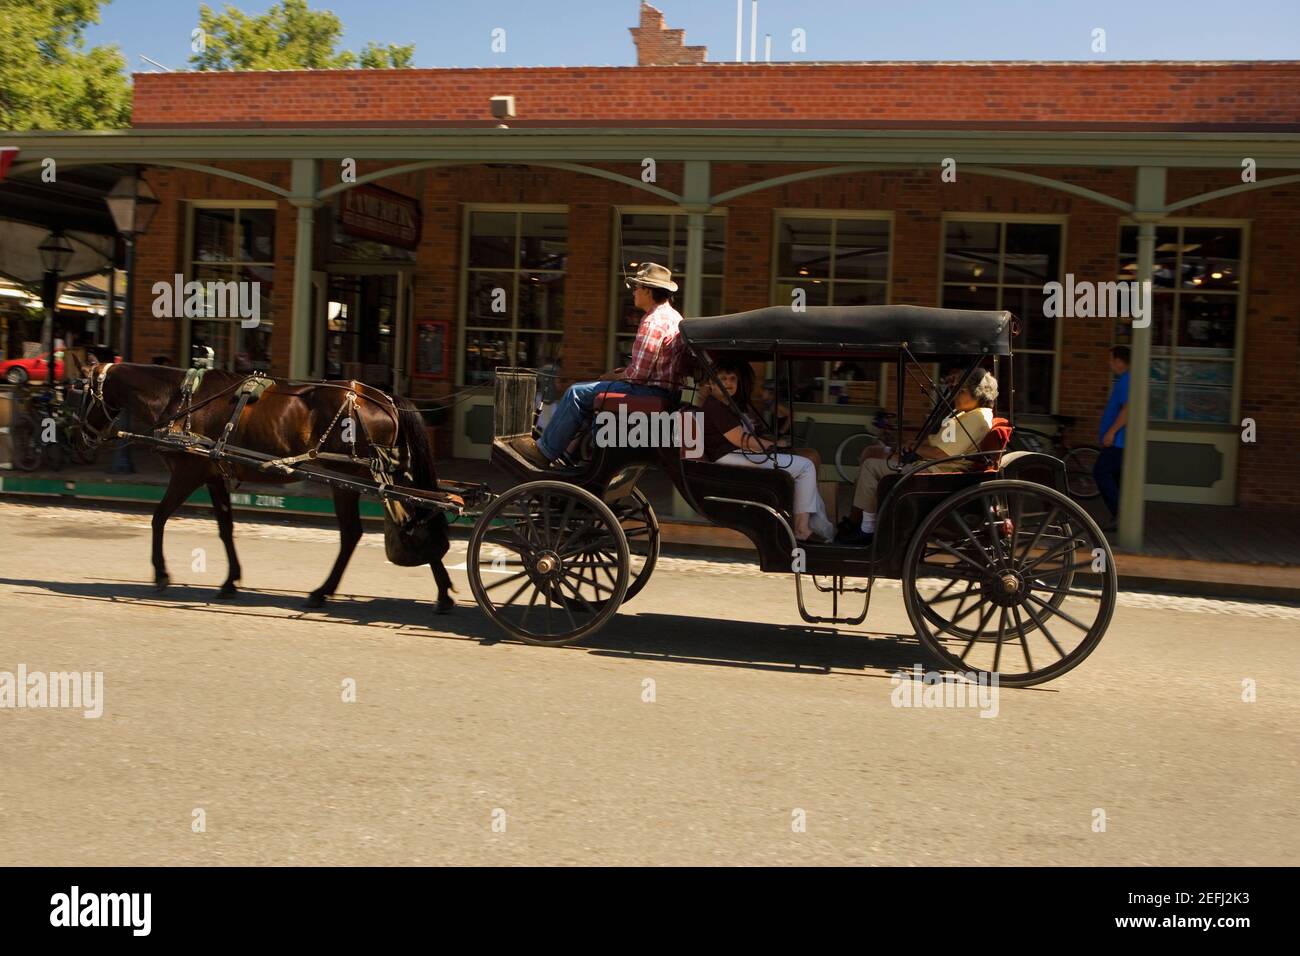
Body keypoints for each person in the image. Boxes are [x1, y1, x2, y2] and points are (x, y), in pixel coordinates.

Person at [517, 262, 685, 467]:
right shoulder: (674, 317)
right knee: (592, 394)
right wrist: (623, 373)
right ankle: (574, 456)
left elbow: (639, 375)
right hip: (665, 393)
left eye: (637, 287)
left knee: (576, 393)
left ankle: (544, 452)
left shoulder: (653, 321)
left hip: (650, 393)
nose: (634, 292)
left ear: (648, 291)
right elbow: (650, 368)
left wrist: (613, 376)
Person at [837, 369, 999, 546]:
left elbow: (943, 453)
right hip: (928, 465)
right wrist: (914, 446)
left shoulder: (976, 418)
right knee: (872, 453)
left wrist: (916, 448)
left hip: (935, 473)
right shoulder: (964, 414)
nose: (955, 395)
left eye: (961, 391)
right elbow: (939, 443)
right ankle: (856, 520)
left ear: (978, 393)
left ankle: (867, 529)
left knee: (870, 466)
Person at [699, 359, 835, 543]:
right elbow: (740, 439)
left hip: (736, 455)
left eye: (733, 379)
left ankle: (811, 524)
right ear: (711, 383)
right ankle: (802, 529)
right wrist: (772, 446)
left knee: (802, 467)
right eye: (723, 379)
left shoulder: (724, 405)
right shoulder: (715, 406)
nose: (729, 383)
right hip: (728, 459)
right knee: (805, 467)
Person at [1094, 346, 1129, 533]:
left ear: (1120, 361)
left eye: (1111, 359)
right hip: (1118, 441)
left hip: (1119, 441)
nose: (1109, 363)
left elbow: (1127, 410)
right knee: (1115, 479)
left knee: (1101, 472)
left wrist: (1111, 432)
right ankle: (1119, 516)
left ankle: (1121, 515)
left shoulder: (1126, 380)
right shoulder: (1124, 380)